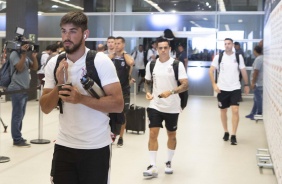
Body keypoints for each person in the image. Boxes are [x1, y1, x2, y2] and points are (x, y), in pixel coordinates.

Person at [40, 11, 123, 183]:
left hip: (96, 147)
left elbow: (117, 104)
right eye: (63, 31)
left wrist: (81, 99)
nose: (66, 36)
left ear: (85, 33)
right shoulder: (54, 64)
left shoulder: (100, 61)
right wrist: (59, 84)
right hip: (64, 145)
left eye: (72, 31)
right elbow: (45, 107)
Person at [143, 37, 188, 177]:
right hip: (155, 105)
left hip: (172, 107)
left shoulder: (177, 64)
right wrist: (148, 92)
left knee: (171, 135)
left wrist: (172, 91)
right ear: (157, 49)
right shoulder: (151, 64)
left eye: (165, 47)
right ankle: (152, 165)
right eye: (160, 48)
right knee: (152, 133)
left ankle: (168, 162)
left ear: (169, 49)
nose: (163, 50)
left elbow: (185, 84)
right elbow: (146, 82)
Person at [209, 38, 250, 145]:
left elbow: (243, 71)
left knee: (235, 110)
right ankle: (226, 131)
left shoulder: (238, 57)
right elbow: (211, 71)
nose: (227, 45)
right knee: (223, 111)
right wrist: (214, 84)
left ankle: (233, 134)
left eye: (229, 44)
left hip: (235, 88)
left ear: (232, 45)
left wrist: (246, 84)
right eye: (225, 44)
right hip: (222, 88)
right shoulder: (219, 57)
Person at [8, 43, 38, 147]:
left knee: (21, 115)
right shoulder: (14, 54)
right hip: (16, 88)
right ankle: (16, 139)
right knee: (17, 115)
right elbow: (19, 68)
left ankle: (18, 136)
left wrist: (33, 57)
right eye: (24, 45)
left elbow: (34, 67)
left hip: (24, 89)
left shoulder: (24, 56)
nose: (26, 47)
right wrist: (24, 55)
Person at [109, 36, 134, 147]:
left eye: (119, 43)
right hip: (111, 90)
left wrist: (123, 53)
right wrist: (113, 54)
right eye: (115, 43)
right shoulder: (111, 57)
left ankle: (121, 137)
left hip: (124, 89)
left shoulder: (126, 56)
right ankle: (112, 135)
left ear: (123, 45)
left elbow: (131, 62)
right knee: (111, 114)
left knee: (122, 114)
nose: (116, 45)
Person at [245, 46, 263, 120]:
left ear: (255, 51)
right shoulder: (262, 58)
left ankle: (259, 114)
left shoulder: (259, 59)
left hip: (258, 83)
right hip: (259, 82)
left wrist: (253, 83)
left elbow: (256, 71)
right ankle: (253, 113)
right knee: (256, 99)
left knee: (258, 99)